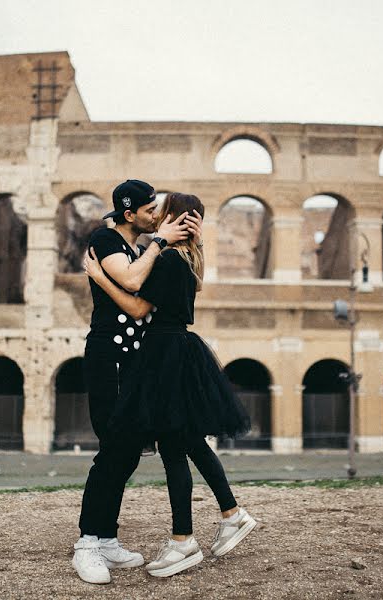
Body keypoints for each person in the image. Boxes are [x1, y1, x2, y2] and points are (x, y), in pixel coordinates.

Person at [84, 192, 257, 579]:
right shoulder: (188, 257)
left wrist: (98, 278)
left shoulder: (164, 259)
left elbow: (137, 307)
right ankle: (229, 515)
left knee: (175, 448)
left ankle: (184, 541)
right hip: (178, 348)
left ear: (172, 218)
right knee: (188, 440)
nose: (155, 218)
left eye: (160, 213)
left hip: (164, 352)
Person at [72, 179, 201, 585]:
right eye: (149, 210)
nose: (155, 216)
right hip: (108, 354)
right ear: (130, 214)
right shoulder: (105, 239)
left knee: (127, 451)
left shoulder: (136, 246)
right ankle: (87, 543)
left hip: (134, 361)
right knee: (112, 449)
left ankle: (107, 537)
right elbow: (130, 282)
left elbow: (143, 301)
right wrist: (160, 242)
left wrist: (154, 248)